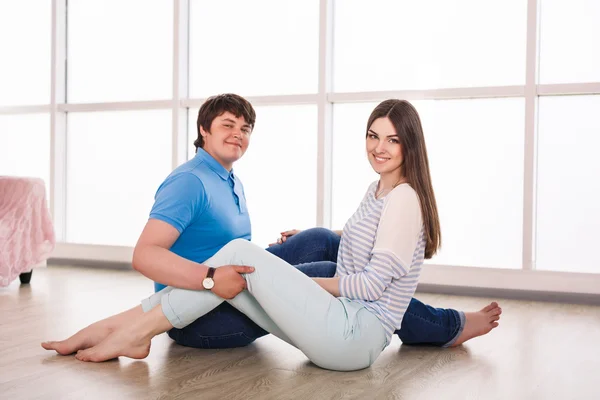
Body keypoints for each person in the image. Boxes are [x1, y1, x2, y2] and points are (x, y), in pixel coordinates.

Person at [42, 96, 501, 370]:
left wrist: (291, 277)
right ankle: (124, 330)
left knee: (272, 254)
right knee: (258, 257)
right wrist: (228, 277)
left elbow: (376, 276)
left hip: (350, 329)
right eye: (373, 136)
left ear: (409, 146)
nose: (379, 148)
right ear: (202, 130)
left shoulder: (399, 198)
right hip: (205, 305)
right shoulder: (190, 181)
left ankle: (123, 330)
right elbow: (147, 256)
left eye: (392, 140)